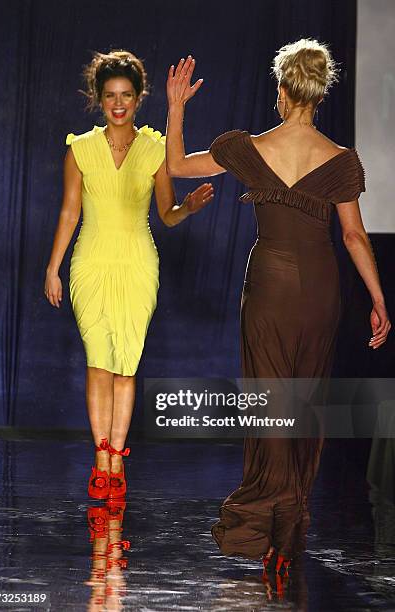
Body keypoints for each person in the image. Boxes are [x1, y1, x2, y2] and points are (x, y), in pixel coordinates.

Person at [165, 40, 391, 570]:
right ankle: (287, 534)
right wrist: (379, 298)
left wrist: (176, 107)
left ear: (284, 90)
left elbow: (175, 165)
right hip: (320, 292)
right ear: (318, 92)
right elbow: (355, 237)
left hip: (268, 288)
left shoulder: (249, 147)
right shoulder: (340, 160)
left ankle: (269, 521)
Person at [45, 50, 214, 500]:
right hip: (91, 262)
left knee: (126, 364)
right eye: (109, 96)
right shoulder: (79, 149)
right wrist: (53, 267)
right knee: (99, 359)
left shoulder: (156, 150)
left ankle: (117, 461)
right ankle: (101, 460)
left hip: (138, 263)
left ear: (139, 98)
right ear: (98, 99)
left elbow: (166, 213)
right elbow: (69, 212)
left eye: (125, 95)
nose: (117, 104)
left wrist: (189, 208)